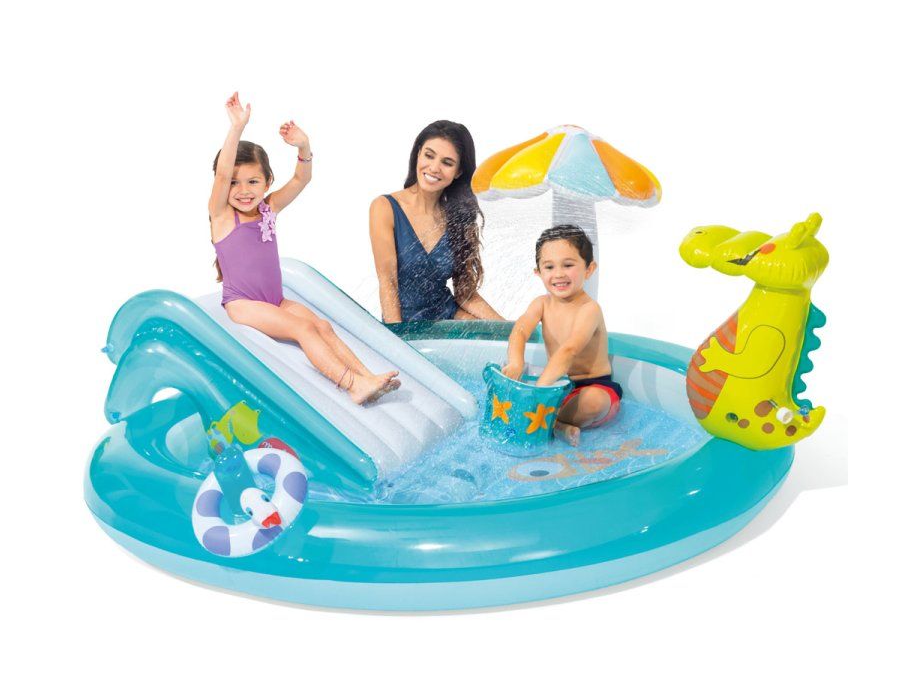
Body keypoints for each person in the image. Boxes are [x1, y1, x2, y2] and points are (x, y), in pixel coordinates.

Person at [210, 92, 399, 405]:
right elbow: (221, 174)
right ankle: (353, 384)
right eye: (234, 183)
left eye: (253, 182)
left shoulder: (268, 208)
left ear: (268, 182)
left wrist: (303, 146)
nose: (243, 191)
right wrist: (237, 128)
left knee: (322, 326)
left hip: (275, 300)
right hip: (243, 303)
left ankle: (368, 377)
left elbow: (301, 179)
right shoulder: (222, 216)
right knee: (303, 329)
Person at [369, 120, 504, 322]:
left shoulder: (458, 218)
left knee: (501, 337)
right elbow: (388, 283)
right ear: (418, 153)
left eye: (447, 163)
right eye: (429, 155)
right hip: (403, 323)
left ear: (458, 172)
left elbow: (465, 294)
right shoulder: (384, 207)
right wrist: (395, 335)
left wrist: (510, 328)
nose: (434, 168)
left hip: (448, 315)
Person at [501, 225, 623, 446]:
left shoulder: (589, 309)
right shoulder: (541, 304)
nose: (558, 274)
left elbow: (570, 349)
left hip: (593, 387)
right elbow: (519, 331)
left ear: (589, 269)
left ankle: (546, 419)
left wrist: (539, 391)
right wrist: (516, 363)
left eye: (568, 265)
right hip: (558, 387)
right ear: (538, 272)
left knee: (593, 402)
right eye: (549, 267)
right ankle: (554, 424)